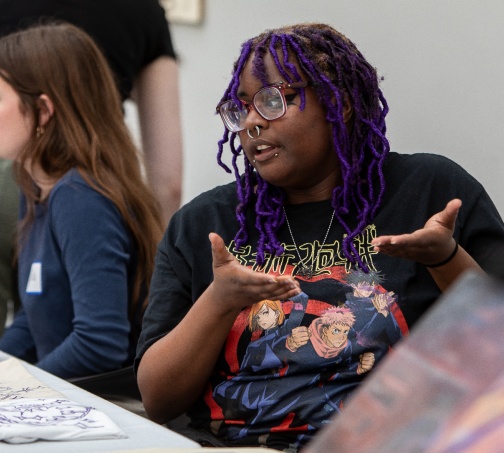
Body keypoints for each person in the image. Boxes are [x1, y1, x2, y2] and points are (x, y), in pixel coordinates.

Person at [135, 23, 504, 451]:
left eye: (274, 100)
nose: (252, 122)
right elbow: (157, 400)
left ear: (339, 102)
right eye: (241, 109)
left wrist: (446, 260)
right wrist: (219, 301)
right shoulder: (205, 223)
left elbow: (495, 352)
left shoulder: (428, 191)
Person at [0, 0, 182, 340]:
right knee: (35, 329)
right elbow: (168, 181)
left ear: (43, 109)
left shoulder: (74, 198)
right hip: (66, 149)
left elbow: (98, 342)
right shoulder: (148, 11)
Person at [0, 22, 163, 380]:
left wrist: (14, 390)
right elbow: (35, 319)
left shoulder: (81, 198)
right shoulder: (35, 186)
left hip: (107, 409)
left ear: (43, 111)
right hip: (62, 395)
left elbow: (99, 344)